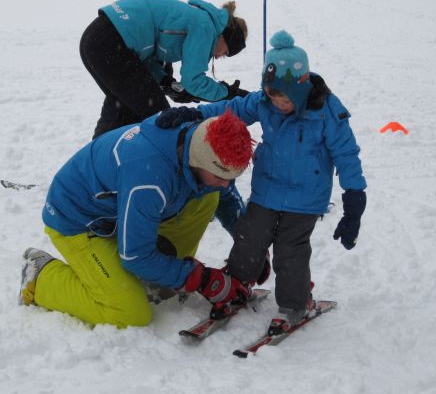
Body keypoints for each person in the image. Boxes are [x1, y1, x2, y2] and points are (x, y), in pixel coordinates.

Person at [156, 30, 367, 335]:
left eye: (283, 98)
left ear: (300, 89)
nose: (277, 103)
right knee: (248, 236)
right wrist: (194, 113)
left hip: (306, 198)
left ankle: (296, 303)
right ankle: (238, 285)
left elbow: (347, 154)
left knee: (289, 249)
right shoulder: (264, 101)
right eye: (272, 96)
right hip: (267, 189)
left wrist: (354, 199)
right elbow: (231, 109)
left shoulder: (328, 112)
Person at [18, 110, 255, 328]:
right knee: (129, 314)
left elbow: (225, 193)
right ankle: (41, 277)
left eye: (232, 176)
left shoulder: (198, 140)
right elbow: (135, 256)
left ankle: (161, 275)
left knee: (209, 197)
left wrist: (249, 246)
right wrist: (201, 279)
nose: (227, 183)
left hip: (121, 212)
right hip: (78, 220)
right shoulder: (149, 178)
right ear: (200, 160)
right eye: (220, 175)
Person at [80, 0, 250, 139]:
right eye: (226, 52)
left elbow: (145, 61)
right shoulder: (205, 26)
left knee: (125, 107)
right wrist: (228, 93)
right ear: (224, 37)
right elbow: (194, 81)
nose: (220, 56)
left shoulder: (196, 17)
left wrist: (166, 81)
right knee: (161, 118)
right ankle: (104, 164)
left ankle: (94, 164)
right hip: (111, 44)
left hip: (96, 38)